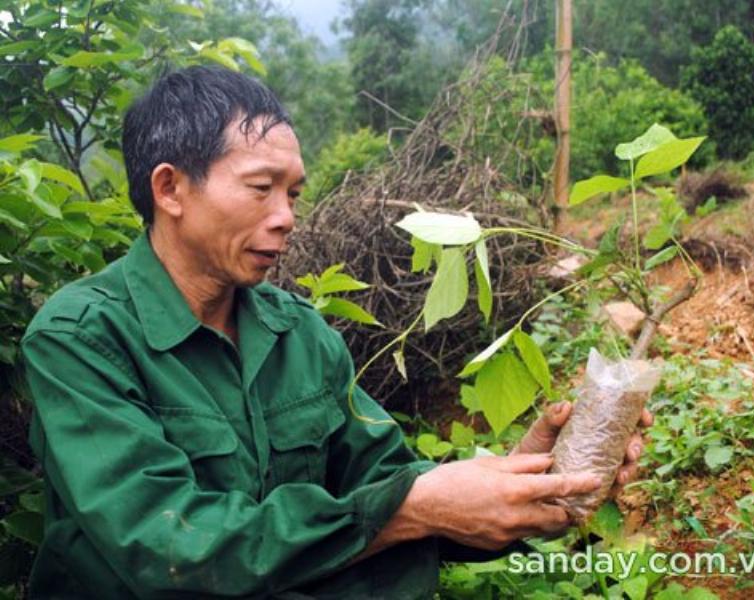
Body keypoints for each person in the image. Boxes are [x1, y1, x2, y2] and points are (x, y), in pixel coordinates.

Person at [22, 66, 651, 599]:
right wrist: (415, 506)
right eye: (261, 189)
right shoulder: (80, 339)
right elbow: (169, 545)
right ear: (170, 189)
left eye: (293, 193)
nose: (286, 218)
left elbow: (390, 485)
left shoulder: (298, 332)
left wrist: (521, 485)